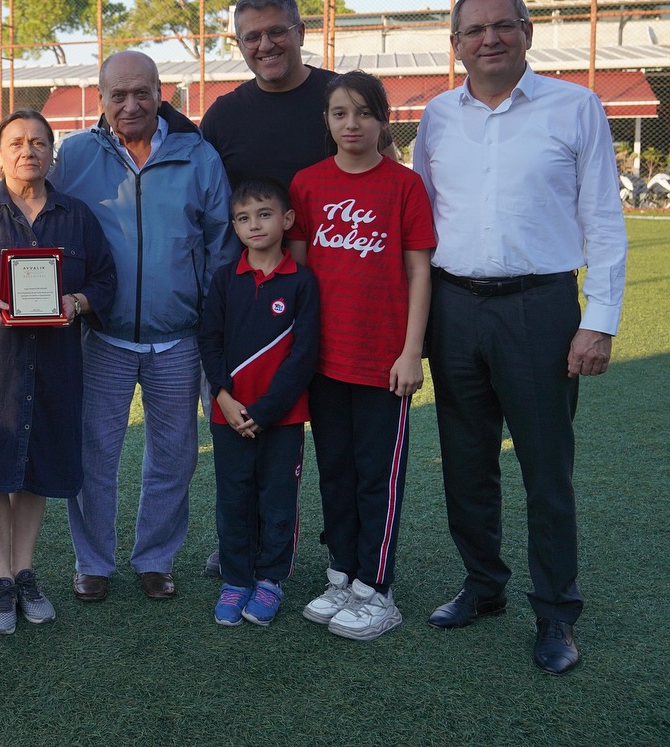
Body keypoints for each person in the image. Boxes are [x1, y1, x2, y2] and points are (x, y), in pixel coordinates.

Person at [413, 0, 627, 675]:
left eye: (503, 25)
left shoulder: (576, 106)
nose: (489, 39)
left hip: (541, 307)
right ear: (456, 43)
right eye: (474, 29)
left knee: (545, 466)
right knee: (466, 460)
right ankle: (483, 585)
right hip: (455, 307)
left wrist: (599, 320)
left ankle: (557, 611)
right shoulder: (438, 116)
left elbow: (603, 218)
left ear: (528, 32)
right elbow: (419, 226)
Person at [55, 50, 233, 603]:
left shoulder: (197, 156)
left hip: (178, 337)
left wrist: (211, 320)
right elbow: (35, 206)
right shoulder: (77, 154)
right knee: (93, 456)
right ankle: (94, 562)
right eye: (118, 94)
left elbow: (220, 242)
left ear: (162, 93)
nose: (130, 104)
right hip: (102, 336)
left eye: (142, 93)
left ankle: (156, 558)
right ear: (101, 96)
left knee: (175, 456)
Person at [0, 109, 117, 634]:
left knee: (34, 468)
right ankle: (0, 579)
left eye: (38, 142)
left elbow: (105, 280)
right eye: (16, 142)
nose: (27, 151)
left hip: (55, 363)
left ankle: (25, 570)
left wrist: (77, 301)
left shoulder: (76, 217)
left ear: (52, 154)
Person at [287, 70, 434, 641]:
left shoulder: (404, 186)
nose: (352, 124)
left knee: (379, 477)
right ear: (326, 121)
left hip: (382, 362)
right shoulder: (307, 184)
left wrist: (411, 351)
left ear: (383, 120)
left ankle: (378, 589)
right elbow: (296, 275)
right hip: (324, 361)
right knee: (336, 475)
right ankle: (342, 575)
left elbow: (420, 271)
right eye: (340, 113)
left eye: (363, 113)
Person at [198, 177, 318, 627]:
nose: (255, 225)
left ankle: (269, 580)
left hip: (281, 419)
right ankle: (235, 578)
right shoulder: (225, 279)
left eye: (264, 215)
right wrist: (225, 399)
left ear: (286, 220)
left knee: (278, 498)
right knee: (233, 497)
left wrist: (265, 413)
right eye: (244, 218)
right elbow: (209, 341)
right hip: (227, 415)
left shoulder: (302, 282)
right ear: (234, 226)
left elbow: (304, 355)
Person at [201, 0, 338, 191]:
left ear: (300, 33)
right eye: (252, 37)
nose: (265, 45)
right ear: (240, 45)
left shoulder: (345, 98)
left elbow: (387, 177)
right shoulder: (221, 117)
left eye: (277, 32)